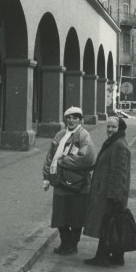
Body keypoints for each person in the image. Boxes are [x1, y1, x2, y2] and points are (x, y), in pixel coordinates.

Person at [42, 106, 97, 255]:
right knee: (60, 216)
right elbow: (50, 157)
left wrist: (63, 161)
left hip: (78, 185)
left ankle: (72, 245)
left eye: (75, 117)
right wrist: (46, 176)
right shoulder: (60, 134)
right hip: (60, 182)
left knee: (76, 217)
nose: (71, 120)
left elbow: (87, 159)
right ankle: (65, 243)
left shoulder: (83, 135)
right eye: (69, 117)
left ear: (80, 120)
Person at [83, 116, 131, 267]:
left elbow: (119, 173)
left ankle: (102, 256)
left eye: (113, 127)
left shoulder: (118, 145)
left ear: (120, 129)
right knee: (112, 224)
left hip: (110, 194)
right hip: (108, 192)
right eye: (108, 127)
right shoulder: (115, 142)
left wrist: (115, 197)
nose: (109, 130)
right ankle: (115, 256)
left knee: (107, 225)